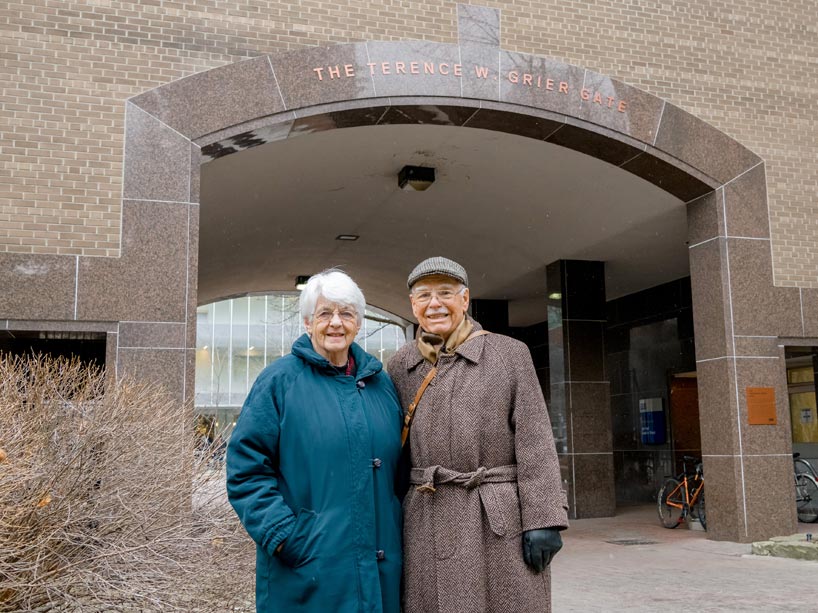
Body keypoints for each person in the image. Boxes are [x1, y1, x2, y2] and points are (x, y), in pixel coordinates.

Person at [388, 256, 569, 613]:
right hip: (426, 515)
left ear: (465, 299)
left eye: (445, 293)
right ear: (413, 305)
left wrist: (545, 519)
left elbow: (535, 440)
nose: (435, 303)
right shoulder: (399, 365)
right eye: (424, 296)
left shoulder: (509, 354)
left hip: (497, 518)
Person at [226, 269, 403, 612]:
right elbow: (245, 471)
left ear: (358, 323)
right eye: (325, 313)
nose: (336, 323)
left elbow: (397, 474)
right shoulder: (279, 382)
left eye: (346, 313)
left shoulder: (382, 386)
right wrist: (285, 537)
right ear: (308, 323)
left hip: (379, 571)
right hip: (309, 570)